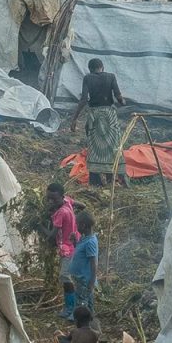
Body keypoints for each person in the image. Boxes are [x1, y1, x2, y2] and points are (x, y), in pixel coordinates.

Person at [71, 59, 126, 187]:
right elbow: (119, 97)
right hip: (109, 116)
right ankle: (111, 179)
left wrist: (74, 119)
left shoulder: (88, 78)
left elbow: (84, 99)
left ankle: (95, 181)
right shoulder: (111, 77)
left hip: (94, 116)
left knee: (94, 147)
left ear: (90, 69)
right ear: (102, 67)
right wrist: (123, 102)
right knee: (112, 146)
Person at [44, 183, 81, 317]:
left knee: (65, 276)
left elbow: (52, 236)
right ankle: (75, 305)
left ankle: (71, 308)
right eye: (48, 199)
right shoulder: (67, 201)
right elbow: (82, 205)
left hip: (67, 249)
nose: (50, 202)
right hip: (75, 243)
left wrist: (40, 227)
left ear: (61, 196)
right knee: (72, 274)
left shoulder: (61, 213)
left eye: (53, 199)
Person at [68, 209, 99, 323]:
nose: (76, 227)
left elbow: (93, 263)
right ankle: (90, 318)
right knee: (87, 299)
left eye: (77, 224)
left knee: (82, 300)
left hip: (84, 279)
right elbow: (80, 252)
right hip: (80, 278)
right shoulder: (84, 238)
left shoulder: (90, 242)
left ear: (83, 225)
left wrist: (91, 282)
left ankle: (81, 321)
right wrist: (74, 242)